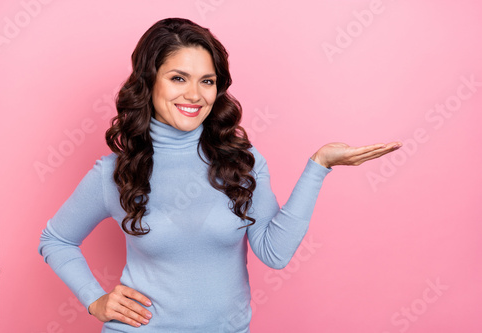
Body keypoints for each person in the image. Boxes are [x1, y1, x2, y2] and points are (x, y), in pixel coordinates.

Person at [38, 17, 401, 332]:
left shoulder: (242, 162)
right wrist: (95, 300)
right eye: (178, 78)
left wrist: (319, 165)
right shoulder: (115, 173)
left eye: (207, 81)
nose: (194, 95)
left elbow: (275, 253)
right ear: (149, 83)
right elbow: (55, 239)